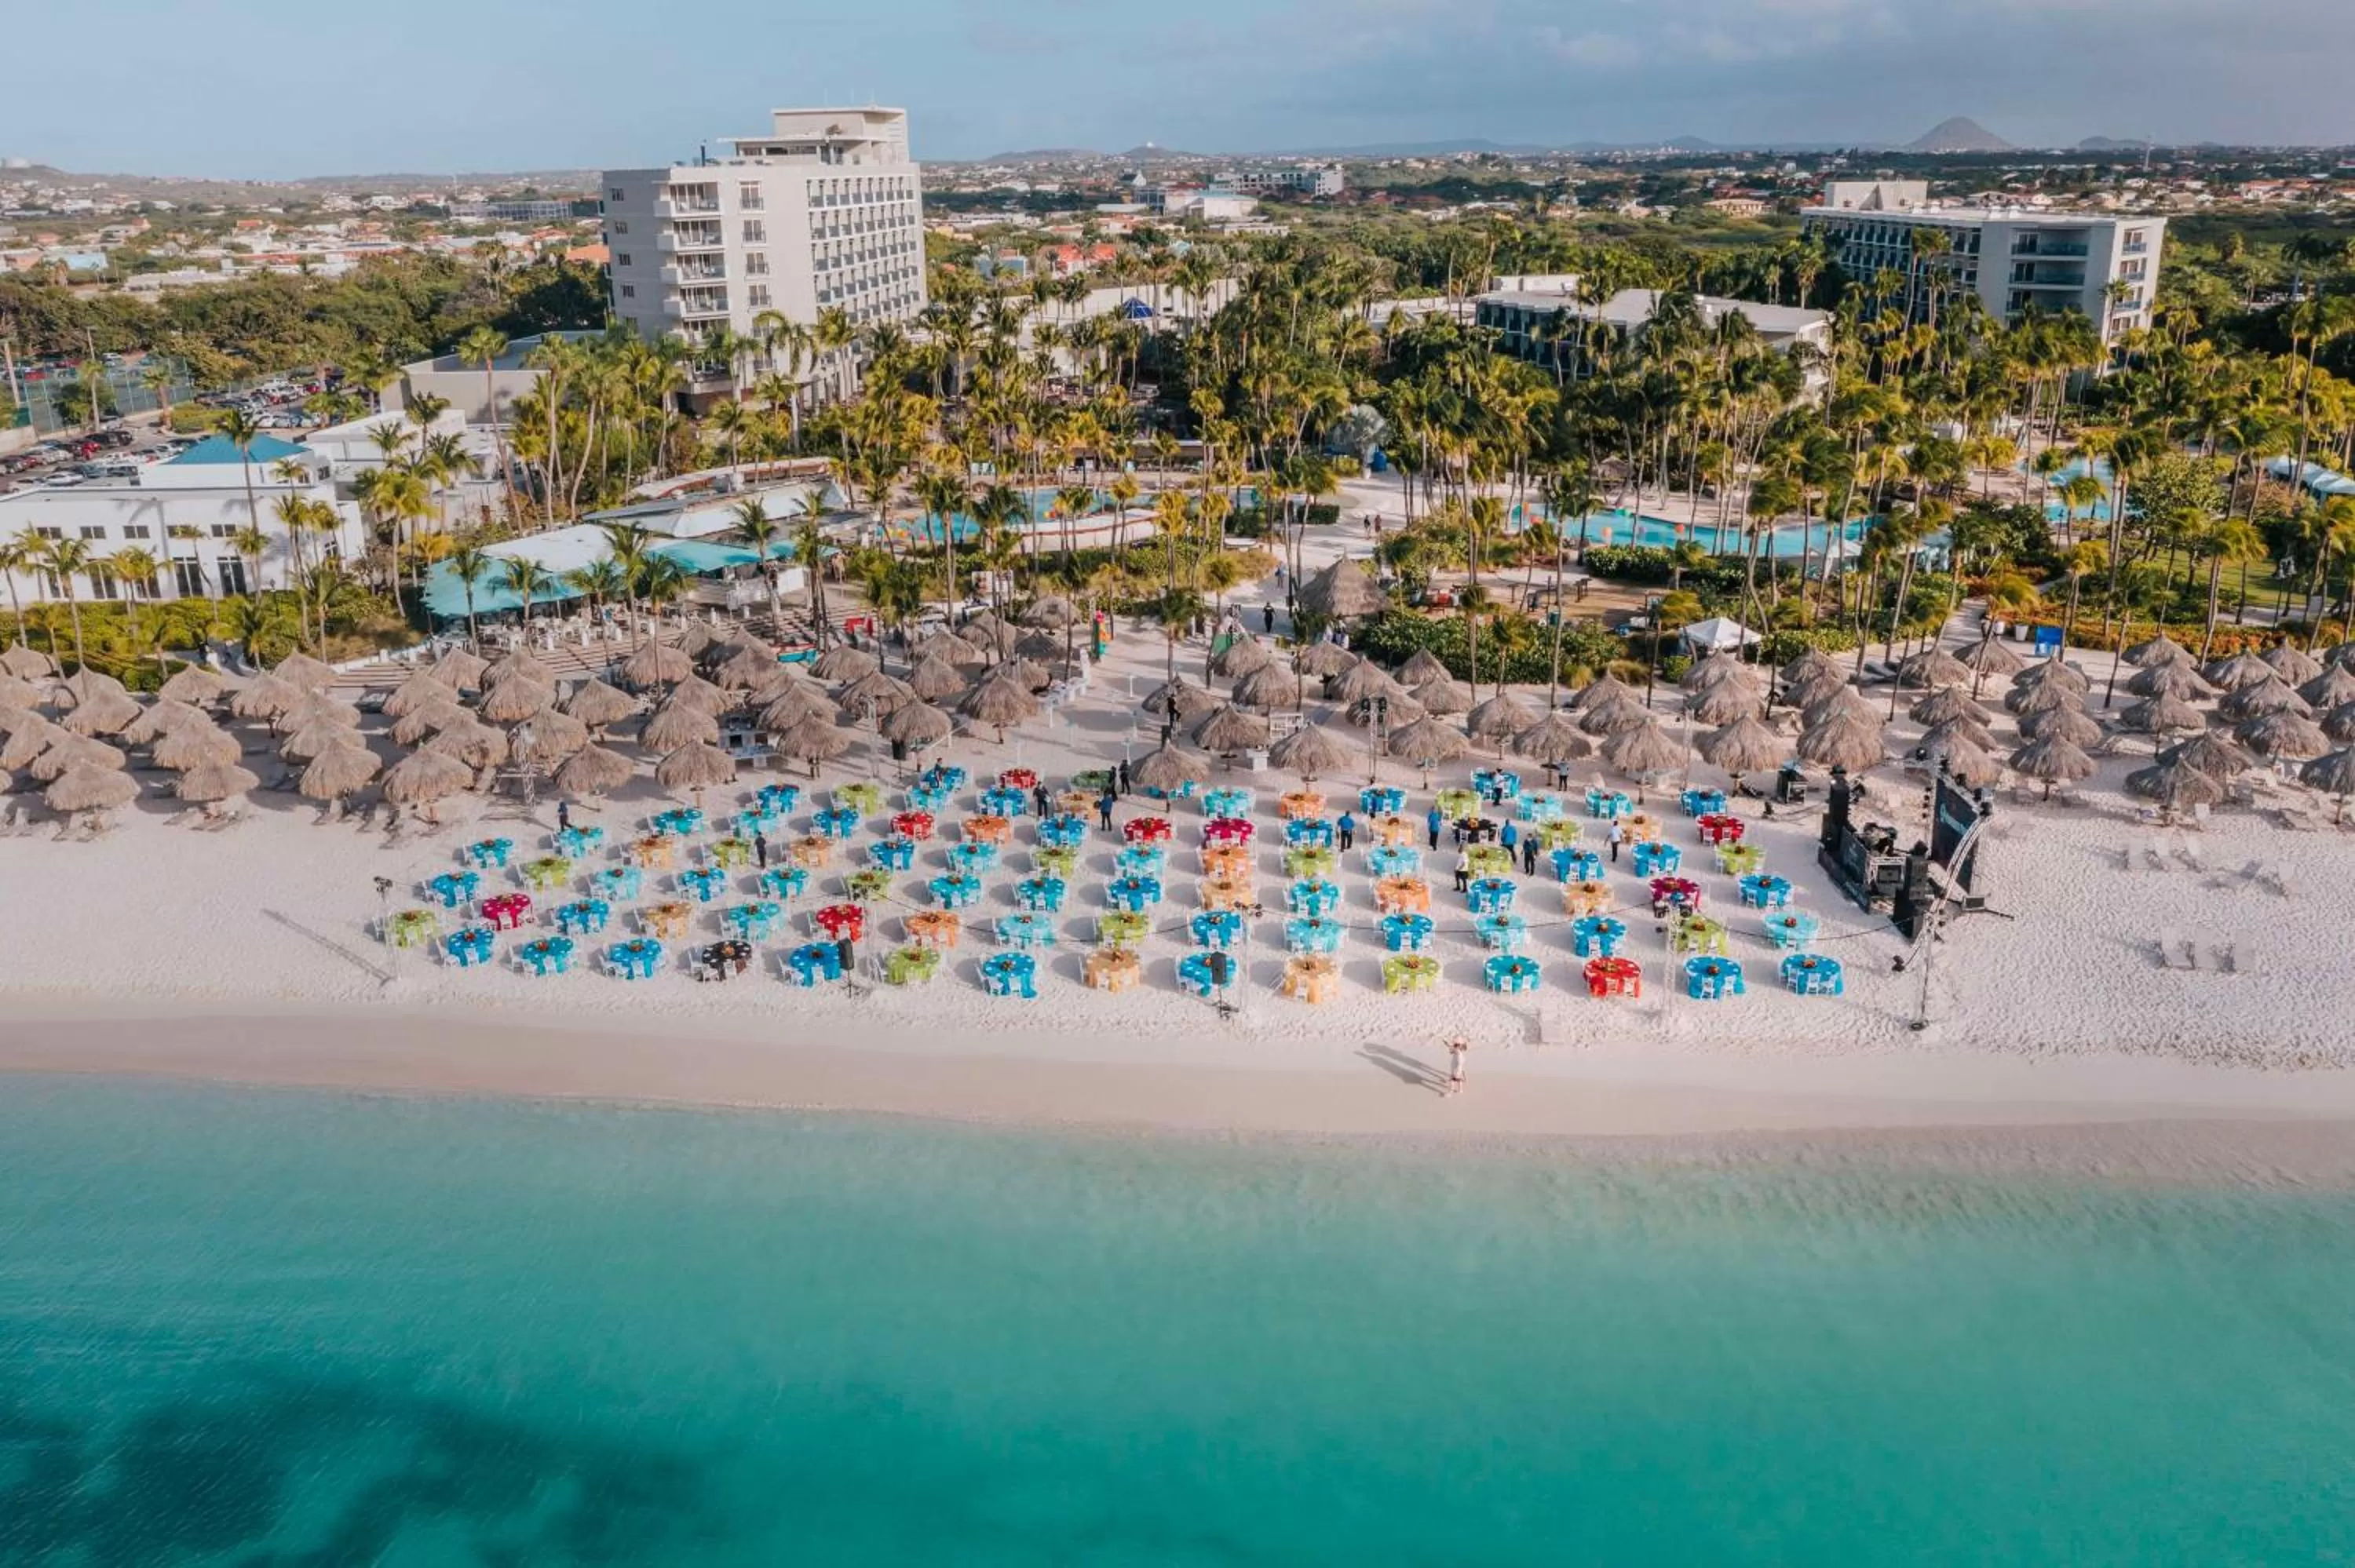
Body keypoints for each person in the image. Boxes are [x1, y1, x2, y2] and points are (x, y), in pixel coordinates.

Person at [1443, 1034, 1470, 1098]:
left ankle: (1450, 1092)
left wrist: (1445, 1042)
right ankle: (1460, 1089)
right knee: (1459, 1077)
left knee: (1454, 1079)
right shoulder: (1460, 1049)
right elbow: (1451, 1049)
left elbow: (1450, 1047)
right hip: (1457, 1064)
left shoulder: (1456, 1049)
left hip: (1457, 1065)